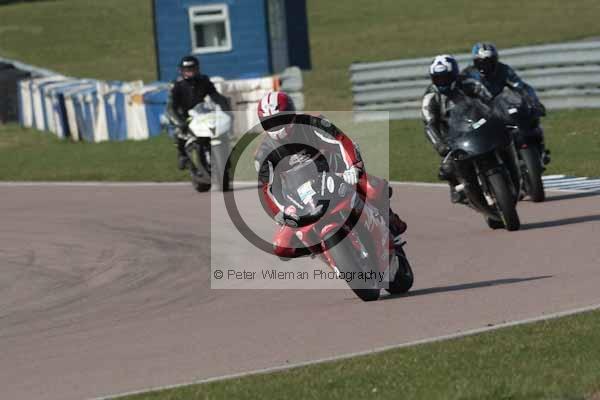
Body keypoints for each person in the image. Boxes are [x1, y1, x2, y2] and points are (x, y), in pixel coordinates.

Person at [254, 91, 407, 260]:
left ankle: (390, 222)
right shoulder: (263, 154)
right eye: (270, 123)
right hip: (301, 200)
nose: (277, 127)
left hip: (337, 174)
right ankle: (321, 250)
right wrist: (282, 211)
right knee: (281, 247)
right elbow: (267, 188)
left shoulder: (313, 123)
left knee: (374, 189)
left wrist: (353, 167)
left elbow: (341, 140)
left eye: (281, 120)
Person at [462, 42, 550, 164]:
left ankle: (540, 148)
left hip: (500, 107)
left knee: (529, 116)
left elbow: (521, 87)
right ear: (475, 62)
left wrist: (534, 102)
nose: (486, 66)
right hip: (480, 113)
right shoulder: (467, 75)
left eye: (490, 62)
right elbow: (461, 98)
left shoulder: (504, 70)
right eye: (482, 62)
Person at [421, 54, 491, 203]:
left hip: (478, 124)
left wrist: (496, 113)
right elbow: (429, 124)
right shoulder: (430, 97)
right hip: (452, 137)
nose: (442, 82)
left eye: (446, 77)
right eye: (438, 78)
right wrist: (440, 144)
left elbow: (489, 99)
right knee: (447, 169)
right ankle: (455, 185)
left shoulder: (469, 84)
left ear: (454, 74)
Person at [166, 55, 231, 170]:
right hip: (183, 116)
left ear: (198, 68)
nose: (190, 71)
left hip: (201, 113)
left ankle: (224, 156)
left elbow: (216, 96)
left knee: (219, 131)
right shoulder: (176, 85)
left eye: (193, 68)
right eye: (187, 69)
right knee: (179, 133)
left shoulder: (204, 80)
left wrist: (227, 109)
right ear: (181, 70)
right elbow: (171, 106)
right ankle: (182, 155)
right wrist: (179, 122)